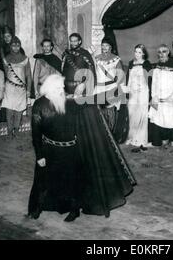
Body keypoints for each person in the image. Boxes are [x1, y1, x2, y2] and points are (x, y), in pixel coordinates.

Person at [61, 32, 136, 217]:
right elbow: (64, 72)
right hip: (73, 96)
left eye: (76, 41)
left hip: (91, 95)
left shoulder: (88, 57)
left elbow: (93, 74)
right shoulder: (68, 55)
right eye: (71, 41)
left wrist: (85, 88)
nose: (73, 43)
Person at [28, 74, 82, 222]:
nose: (62, 89)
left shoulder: (70, 102)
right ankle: (37, 207)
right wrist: (39, 156)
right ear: (50, 88)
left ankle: (74, 209)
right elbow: (36, 133)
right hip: (49, 149)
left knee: (71, 181)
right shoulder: (39, 105)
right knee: (43, 181)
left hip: (70, 150)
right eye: (59, 87)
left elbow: (82, 119)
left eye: (62, 87)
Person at [148, 44, 173, 153]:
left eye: (164, 51)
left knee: (172, 121)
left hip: (171, 99)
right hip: (159, 99)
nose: (161, 54)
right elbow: (154, 83)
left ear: (168, 52)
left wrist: (172, 96)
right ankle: (165, 141)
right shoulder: (157, 66)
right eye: (159, 52)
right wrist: (154, 96)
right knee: (161, 121)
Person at [1, 36, 32, 138]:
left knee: (19, 110)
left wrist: (28, 90)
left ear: (20, 46)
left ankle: (16, 130)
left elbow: (28, 75)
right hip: (9, 88)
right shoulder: (6, 59)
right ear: (10, 46)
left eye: (17, 46)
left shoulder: (25, 59)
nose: (15, 48)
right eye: (13, 46)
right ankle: (9, 131)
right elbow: (5, 74)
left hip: (21, 88)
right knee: (9, 110)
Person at [93, 37, 125, 132]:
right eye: (103, 45)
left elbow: (120, 75)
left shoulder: (116, 59)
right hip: (99, 88)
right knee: (99, 111)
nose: (104, 47)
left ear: (111, 47)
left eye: (107, 45)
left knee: (110, 111)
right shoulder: (96, 59)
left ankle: (110, 135)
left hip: (111, 87)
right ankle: (101, 135)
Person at [125, 44, 152, 153]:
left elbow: (149, 80)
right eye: (136, 52)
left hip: (143, 93)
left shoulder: (147, 64)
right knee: (131, 115)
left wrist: (150, 96)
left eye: (139, 52)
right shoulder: (131, 63)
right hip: (132, 92)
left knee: (141, 116)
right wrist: (127, 93)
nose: (137, 54)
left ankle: (141, 140)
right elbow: (128, 78)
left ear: (144, 53)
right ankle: (131, 138)